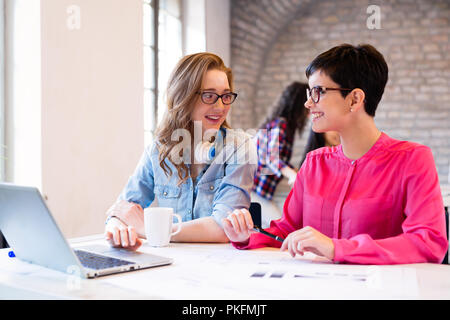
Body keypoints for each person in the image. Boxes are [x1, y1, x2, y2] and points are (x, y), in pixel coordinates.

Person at [223, 44, 448, 264]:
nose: (308, 102)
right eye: (309, 92)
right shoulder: (313, 164)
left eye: (318, 92)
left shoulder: (412, 159)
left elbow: (428, 243)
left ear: (354, 99)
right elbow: (286, 231)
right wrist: (247, 236)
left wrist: (335, 247)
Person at [104, 52, 257, 250]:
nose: (220, 106)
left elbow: (222, 228)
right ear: (183, 96)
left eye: (226, 96)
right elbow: (123, 209)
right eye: (209, 96)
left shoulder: (240, 147)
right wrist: (116, 226)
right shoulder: (158, 150)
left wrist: (149, 229)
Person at [252, 82, 309, 227]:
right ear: (298, 105)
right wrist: (291, 175)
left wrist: (294, 171)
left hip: (259, 191)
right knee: (279, 227)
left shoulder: (278, 124)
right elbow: (272, 158)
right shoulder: (281, 124)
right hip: (254, 191)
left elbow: (275, 158)